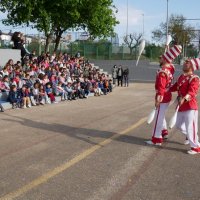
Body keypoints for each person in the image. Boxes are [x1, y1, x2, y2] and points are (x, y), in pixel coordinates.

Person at [146, 45, 182, 145]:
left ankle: (156, 139)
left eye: (161, 58)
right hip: (167, 95)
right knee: (160, 116)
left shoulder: (162, 72)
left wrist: (158, 100)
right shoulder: (170, 69)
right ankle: (163, 132)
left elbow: (161, 88)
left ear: (165, 59)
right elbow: (169, 64)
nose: (159, 59)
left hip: (162, 96)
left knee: (158, 119)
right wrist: (167, 50)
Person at [170, 58, 200, 154]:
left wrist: (184, 99)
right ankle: (192, 136)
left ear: (192, 66)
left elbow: (192, 92)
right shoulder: (181, 77)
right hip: (181, 106)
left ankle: (196, 147)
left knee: (190, 127)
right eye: (185, 62)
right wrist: (167, 89)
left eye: (187, 62)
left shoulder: (194, 78)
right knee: (178, 125)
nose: (184, 63)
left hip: (190, 106)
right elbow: (175, 87)